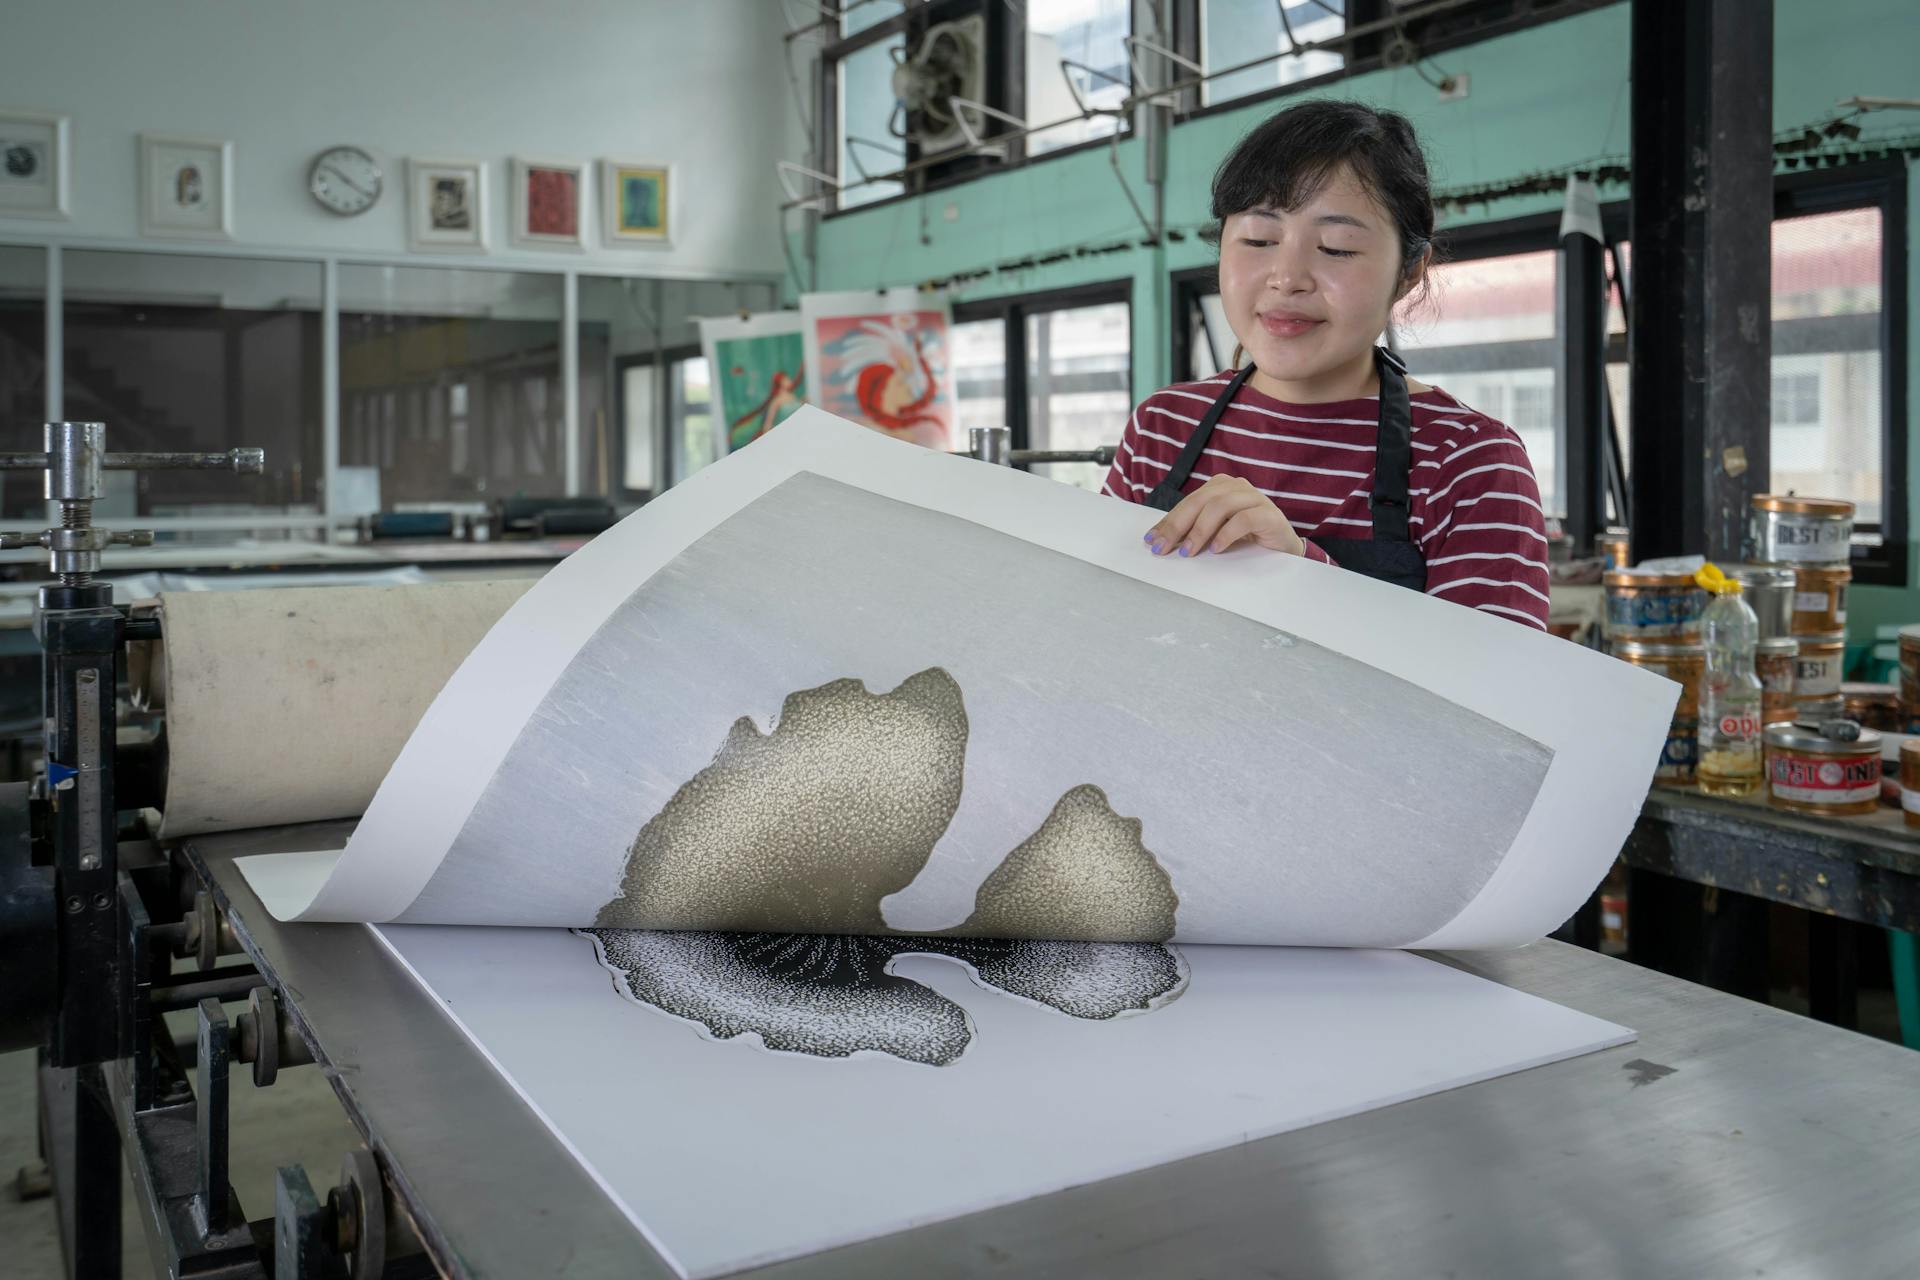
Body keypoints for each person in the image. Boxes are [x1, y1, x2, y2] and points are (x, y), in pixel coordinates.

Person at [1103, 100, 1550, 630]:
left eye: (1336, 248)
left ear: (1409, 271)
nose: (1287, 277)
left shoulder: (1469, 462)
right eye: (1258, 240)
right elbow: (1101, 623)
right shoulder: (1162, 426)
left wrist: (1301, 576)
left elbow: (1490, 700)